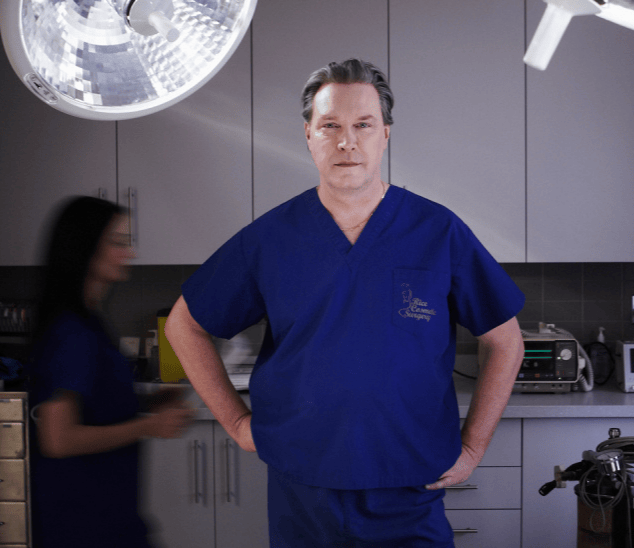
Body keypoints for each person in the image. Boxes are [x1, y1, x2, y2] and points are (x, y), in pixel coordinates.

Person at [165, 59, 525, 547]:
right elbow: (184, 325)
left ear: (386, 135)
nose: (346, 141)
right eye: (330, 125)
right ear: (308, 135)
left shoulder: (437, 231)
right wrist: (236, 423)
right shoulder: (270, 239)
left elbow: (504, 341)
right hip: (303, 489)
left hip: (409, 488)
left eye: (363, 125)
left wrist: (474, 447)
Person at [28, 196, 194, 548]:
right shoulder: (71, 333)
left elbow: (95, 404)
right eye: (118, 242)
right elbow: (58, 439)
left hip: (109, 515)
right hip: (81, 523)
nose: (129, 253)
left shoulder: (90, 323)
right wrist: (150, 425)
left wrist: (149, 401)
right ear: (85, 249)